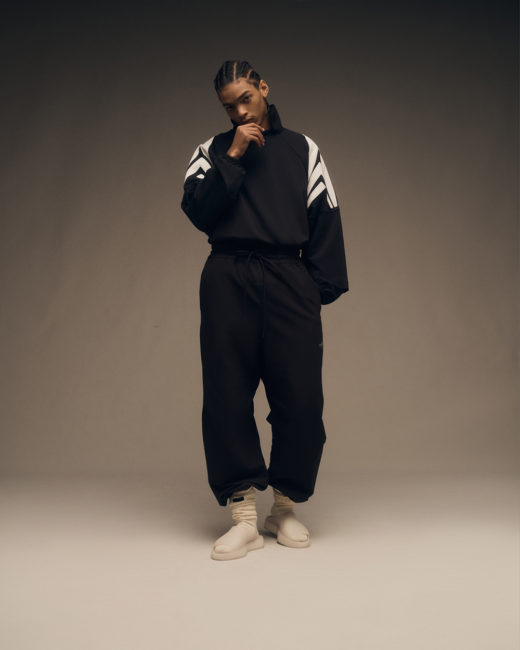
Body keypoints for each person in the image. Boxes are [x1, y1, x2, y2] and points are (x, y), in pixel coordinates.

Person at [181, 60, 349, 561]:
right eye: (228, 106)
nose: (239, 112)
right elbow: (199, 213)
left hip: (287, 277)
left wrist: (312, 291)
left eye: (245, 99)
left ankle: (285, 507)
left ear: (263, 88)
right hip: (227, 276)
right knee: (226, 397)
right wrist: (232, 156)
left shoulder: (303, 149)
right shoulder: (210, 151)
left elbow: (326, 218)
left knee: (301, 399)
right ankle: (244, 519)